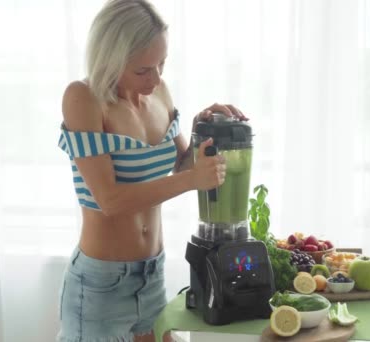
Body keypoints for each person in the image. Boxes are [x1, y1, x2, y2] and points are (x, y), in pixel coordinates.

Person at [56, 0, 248, 341]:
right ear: (111, 59)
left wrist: (203, 131)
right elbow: (109, 200)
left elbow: (179, 164)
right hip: (102, 286)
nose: (156, 77)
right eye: (143, 69)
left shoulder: (159, 91)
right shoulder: (83, 98)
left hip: (152, 274)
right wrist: (191, 179)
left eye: (162, 63)